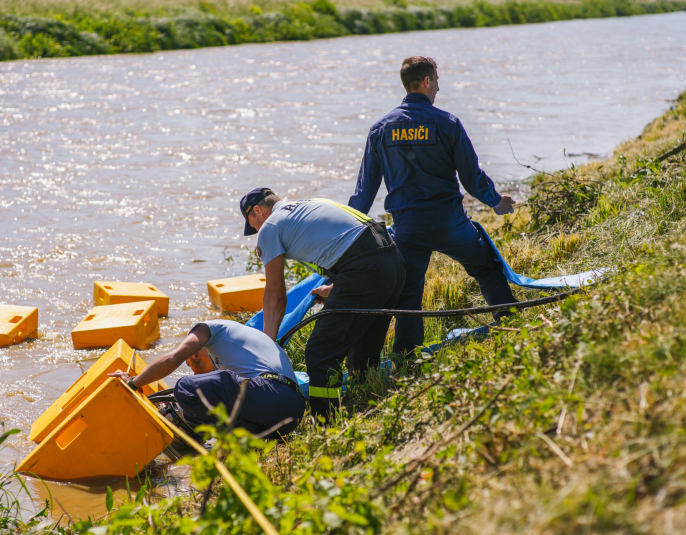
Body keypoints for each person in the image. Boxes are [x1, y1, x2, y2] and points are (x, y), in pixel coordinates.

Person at [348, 56, 518, 357]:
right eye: (437, 80)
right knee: (486, 266)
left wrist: (344, 235)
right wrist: (497, 202)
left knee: (408, 294)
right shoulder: (448, 123)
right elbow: (471, 177)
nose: (439, 87)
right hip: (450, 224)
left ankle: (406, 357)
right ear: (426, 81)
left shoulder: (380, 130)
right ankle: (509, 321)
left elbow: (364, 192)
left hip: (407, 229)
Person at [239, 187, 405, 420]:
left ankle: (326, 422)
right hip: (392, 262)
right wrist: (335, 288)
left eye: (252, 224)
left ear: (258, 210)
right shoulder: (309, 204)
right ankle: (366, 408)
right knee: (364, 348)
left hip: (364, 270)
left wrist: (268, 345)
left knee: (320, 353)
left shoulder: (270, 226)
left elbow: (276, 295)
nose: (256, 230)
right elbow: (353, 244)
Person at [109, 319, 304, 438]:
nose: (195, 373)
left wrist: (133, 382)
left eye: (193, 365)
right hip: (291, 410)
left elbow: (172, 359)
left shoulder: (208, 329)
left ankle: (237, 439)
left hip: (273, 393)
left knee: (185, 387)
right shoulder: (237, 349)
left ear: (193, 354)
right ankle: (253, 437)